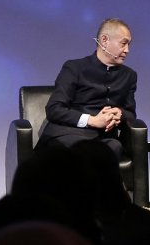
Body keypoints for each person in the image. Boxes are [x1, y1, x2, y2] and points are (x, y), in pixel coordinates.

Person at [38, 18, 137, 160]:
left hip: (102, 139)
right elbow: (54, 109)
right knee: (81, 150)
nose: (127, 50)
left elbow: (131, 113)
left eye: (129, 44)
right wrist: (92, 120)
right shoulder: (74, 68)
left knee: (114, 147)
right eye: (123, 44)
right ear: (104, 40)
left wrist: (119, 114)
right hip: (68, 134)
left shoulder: (129, 75)